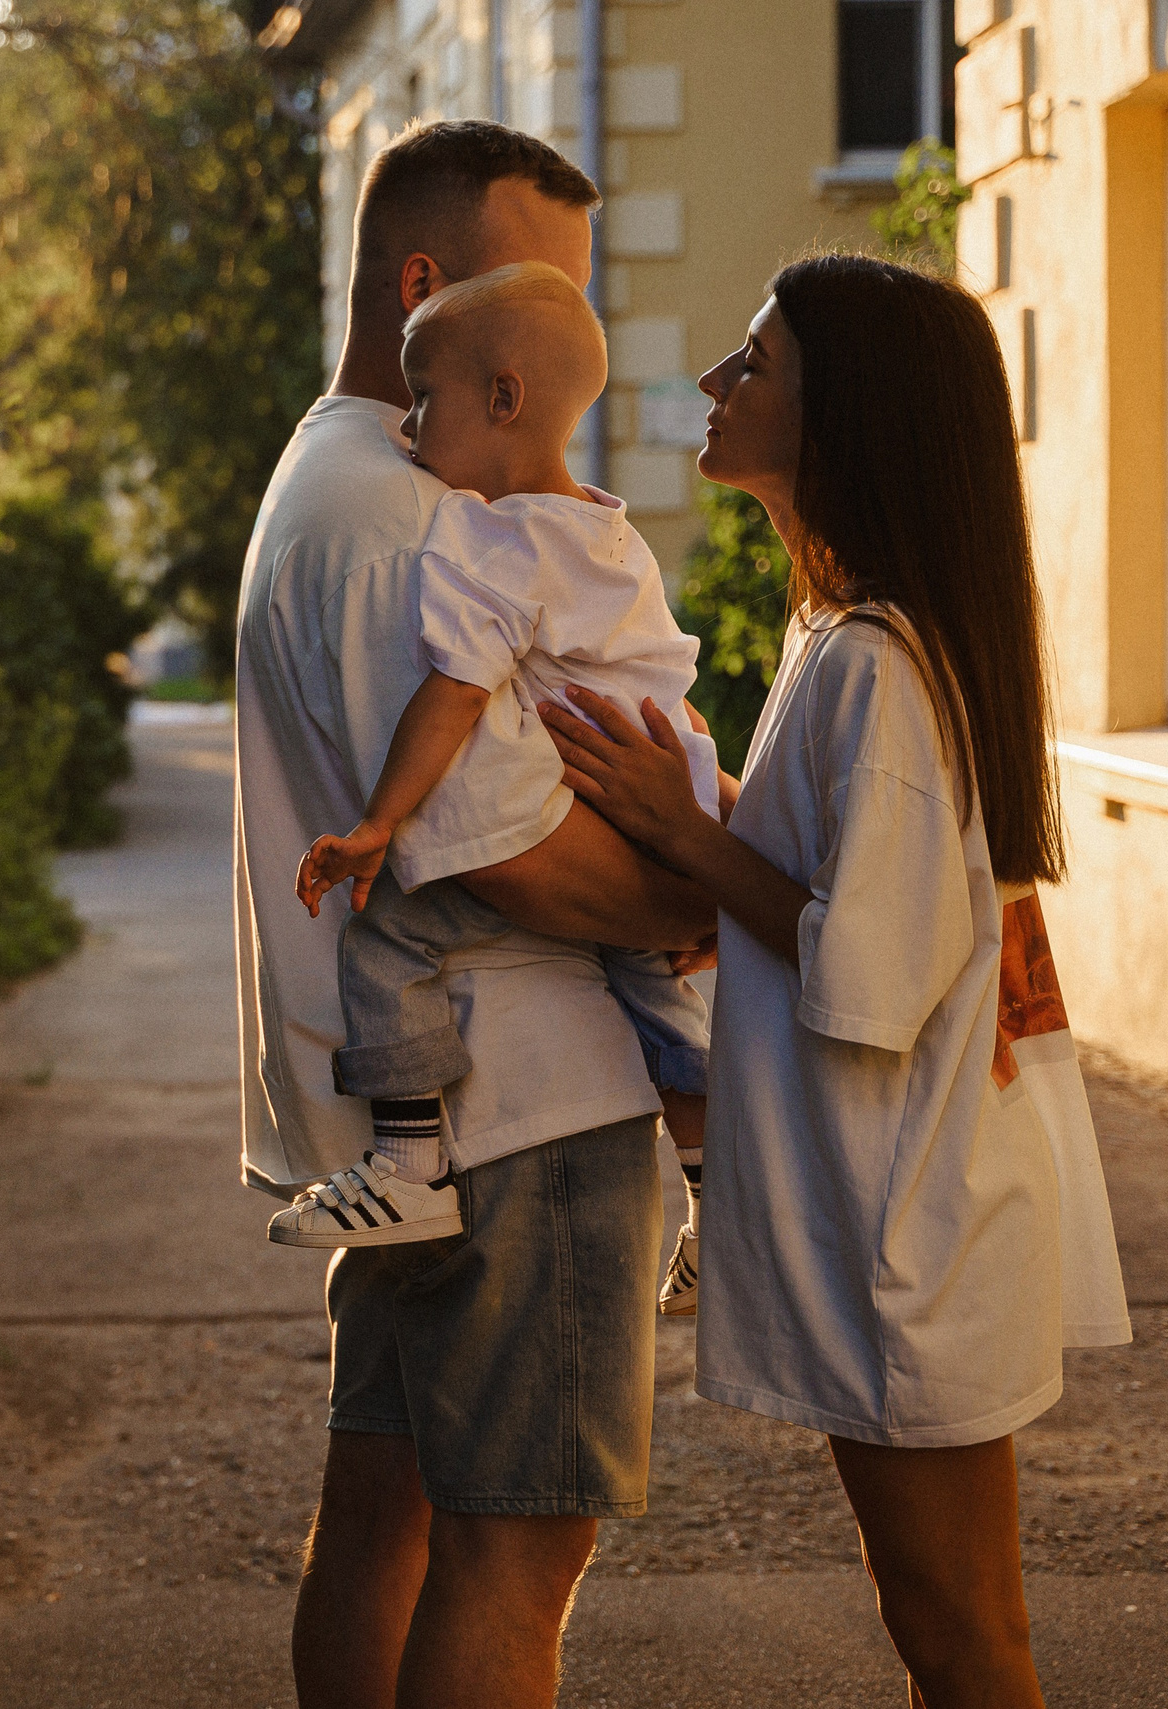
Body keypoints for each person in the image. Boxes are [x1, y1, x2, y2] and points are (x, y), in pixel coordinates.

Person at [540, 253, 1132, 1707]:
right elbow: (857, 881)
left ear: (846, 413)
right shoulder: (847, 634)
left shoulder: (876, 662)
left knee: (959, 1633)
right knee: (948, 1624)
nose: (716, 384)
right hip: (906, 1213)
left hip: (903, 1232)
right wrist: (711, 828)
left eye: (758, 363)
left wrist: (687, 834)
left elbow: (864, 964)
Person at [233, 119, 712, 1709]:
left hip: (436, 1115)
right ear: (433, 292)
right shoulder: (400, 516)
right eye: (540, 306)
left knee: (387, 1520)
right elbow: (506, 844)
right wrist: (705, 891)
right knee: (517, 1556)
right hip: (522, 1116)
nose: (560, 372)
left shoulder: (347, 481)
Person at [273, 260, 720, 1325]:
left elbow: (452, 696)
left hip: (596, 811)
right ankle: (717, 1199)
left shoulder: (492, 537)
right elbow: (670, 687)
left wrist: (380, 821)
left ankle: (409, 1166)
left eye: (424, 399)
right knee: (660, 994)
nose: (405, 428)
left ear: (504, 399)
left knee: (387, 932)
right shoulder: (612, 534)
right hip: (668, 809)